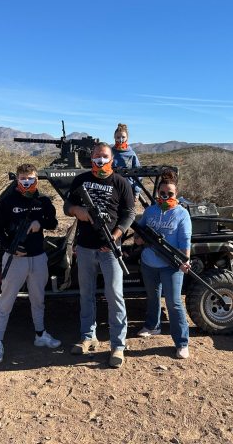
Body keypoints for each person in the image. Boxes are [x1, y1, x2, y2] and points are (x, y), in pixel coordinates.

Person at [63, 142, 135, 368]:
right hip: (85, 248)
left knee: (115, 296)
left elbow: (129, 213)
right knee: (86, 294)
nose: (100, 160)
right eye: (96, 156)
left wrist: (115, 235)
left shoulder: (121, 183)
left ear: (111, 158)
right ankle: (87, 337)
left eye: (104, 156)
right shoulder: (81, 180)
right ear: (91, 157)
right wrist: (78, 211)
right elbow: (67, 206)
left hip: (110, 250)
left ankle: (118, 345)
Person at [0, 163, 61, 364]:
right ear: (17, 180)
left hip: (38, 257)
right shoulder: (8, 201)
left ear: (36, 179)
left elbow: (53, 223)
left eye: (30, 178)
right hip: (16, 259)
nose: (27, 182)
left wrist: (41, 224)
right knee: (6, 301)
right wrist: (9, 248)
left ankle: (40, 335)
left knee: (38, 299)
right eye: (23, 178)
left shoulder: (43, 200)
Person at [134, 169, 192, 359]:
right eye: (162, 193)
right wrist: (139, 239)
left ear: (176, 193)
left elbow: (185, 241)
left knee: (174, 303)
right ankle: (152, 326)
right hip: (149, 263)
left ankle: (182, 342)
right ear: (158, 193)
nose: (166, 196)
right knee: (152, 297)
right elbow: (139, 232)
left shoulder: (182, 214)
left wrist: (184, 260)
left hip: (171, 265)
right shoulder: (150, 211)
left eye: (170, 194)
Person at [112, 123, 142, 201]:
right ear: (114, 137)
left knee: (128, 212)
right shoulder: (110, 153)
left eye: (123, 137)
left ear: (127, 138)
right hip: (112, 189)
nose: (121, 140)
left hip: (128, 189)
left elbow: (139, 174)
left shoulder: (131, 154)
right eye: (118, 137)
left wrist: (137, 191)